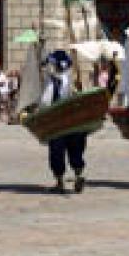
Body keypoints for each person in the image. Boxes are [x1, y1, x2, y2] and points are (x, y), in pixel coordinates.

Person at [41, 50, 87, 194]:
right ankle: (76, 175)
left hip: (60, 123)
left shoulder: (58, 81)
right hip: (72, 123)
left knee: (59, 151)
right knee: (72, 151)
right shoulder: (67, 78)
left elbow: (45, 102)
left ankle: (62, 181)